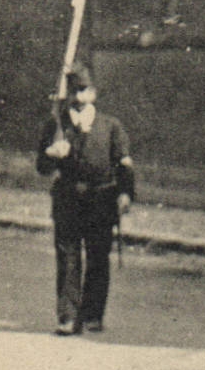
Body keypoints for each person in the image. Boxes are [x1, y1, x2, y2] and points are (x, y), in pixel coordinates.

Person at [36, 62, 135, 335]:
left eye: (84, 90)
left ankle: (92, 314)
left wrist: (126, 193)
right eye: (74, 91)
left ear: (94, 93)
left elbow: (124, 163)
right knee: (67, 256)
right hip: (68, 197)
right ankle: (68, 315)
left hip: (101, 199)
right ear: (66, 94)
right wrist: (51, 154)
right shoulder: (56, 125)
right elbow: (42, 167)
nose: (79, 98)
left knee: (98, 256)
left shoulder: (110, 126)